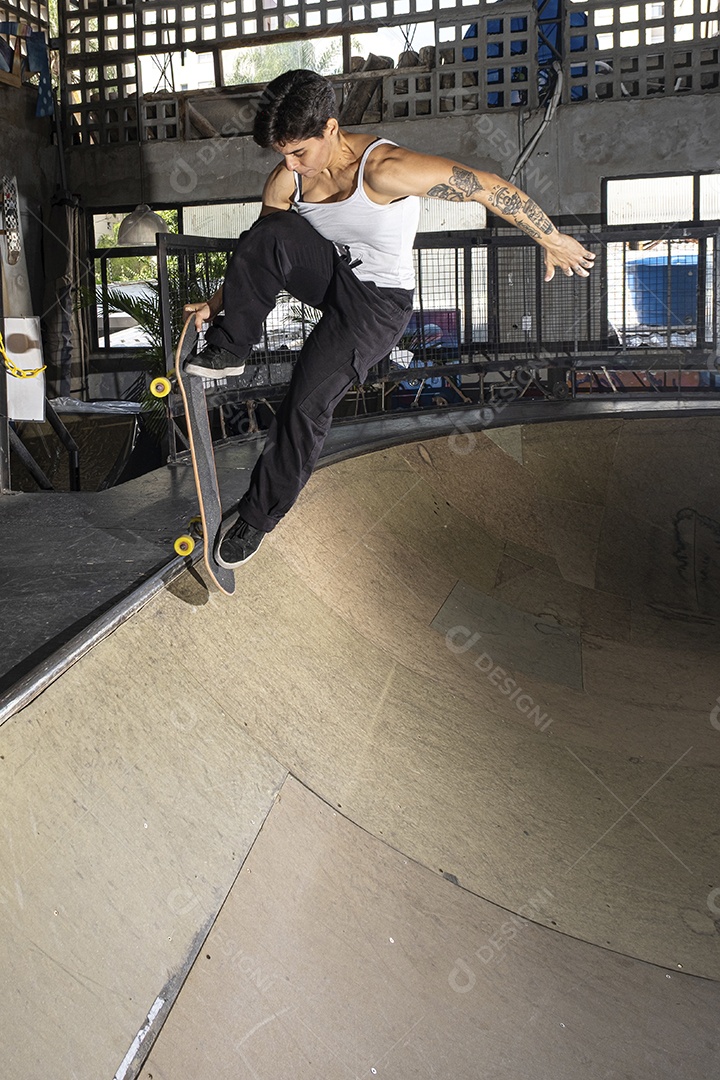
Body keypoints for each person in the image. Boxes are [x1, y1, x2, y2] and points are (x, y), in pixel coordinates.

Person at [183, 68, 595, 569]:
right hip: (332, 279)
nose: (291, 166)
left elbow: (484, 186)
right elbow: (260, 254)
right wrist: (217, 306)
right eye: (283, 155)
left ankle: (257, 517)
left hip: (377, 308)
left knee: (305, 403)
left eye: (299, 153)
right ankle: (230, 350)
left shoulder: (385, 168)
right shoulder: (286, 178)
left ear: (331, 129)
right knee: (267, 230)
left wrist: (550, 237)